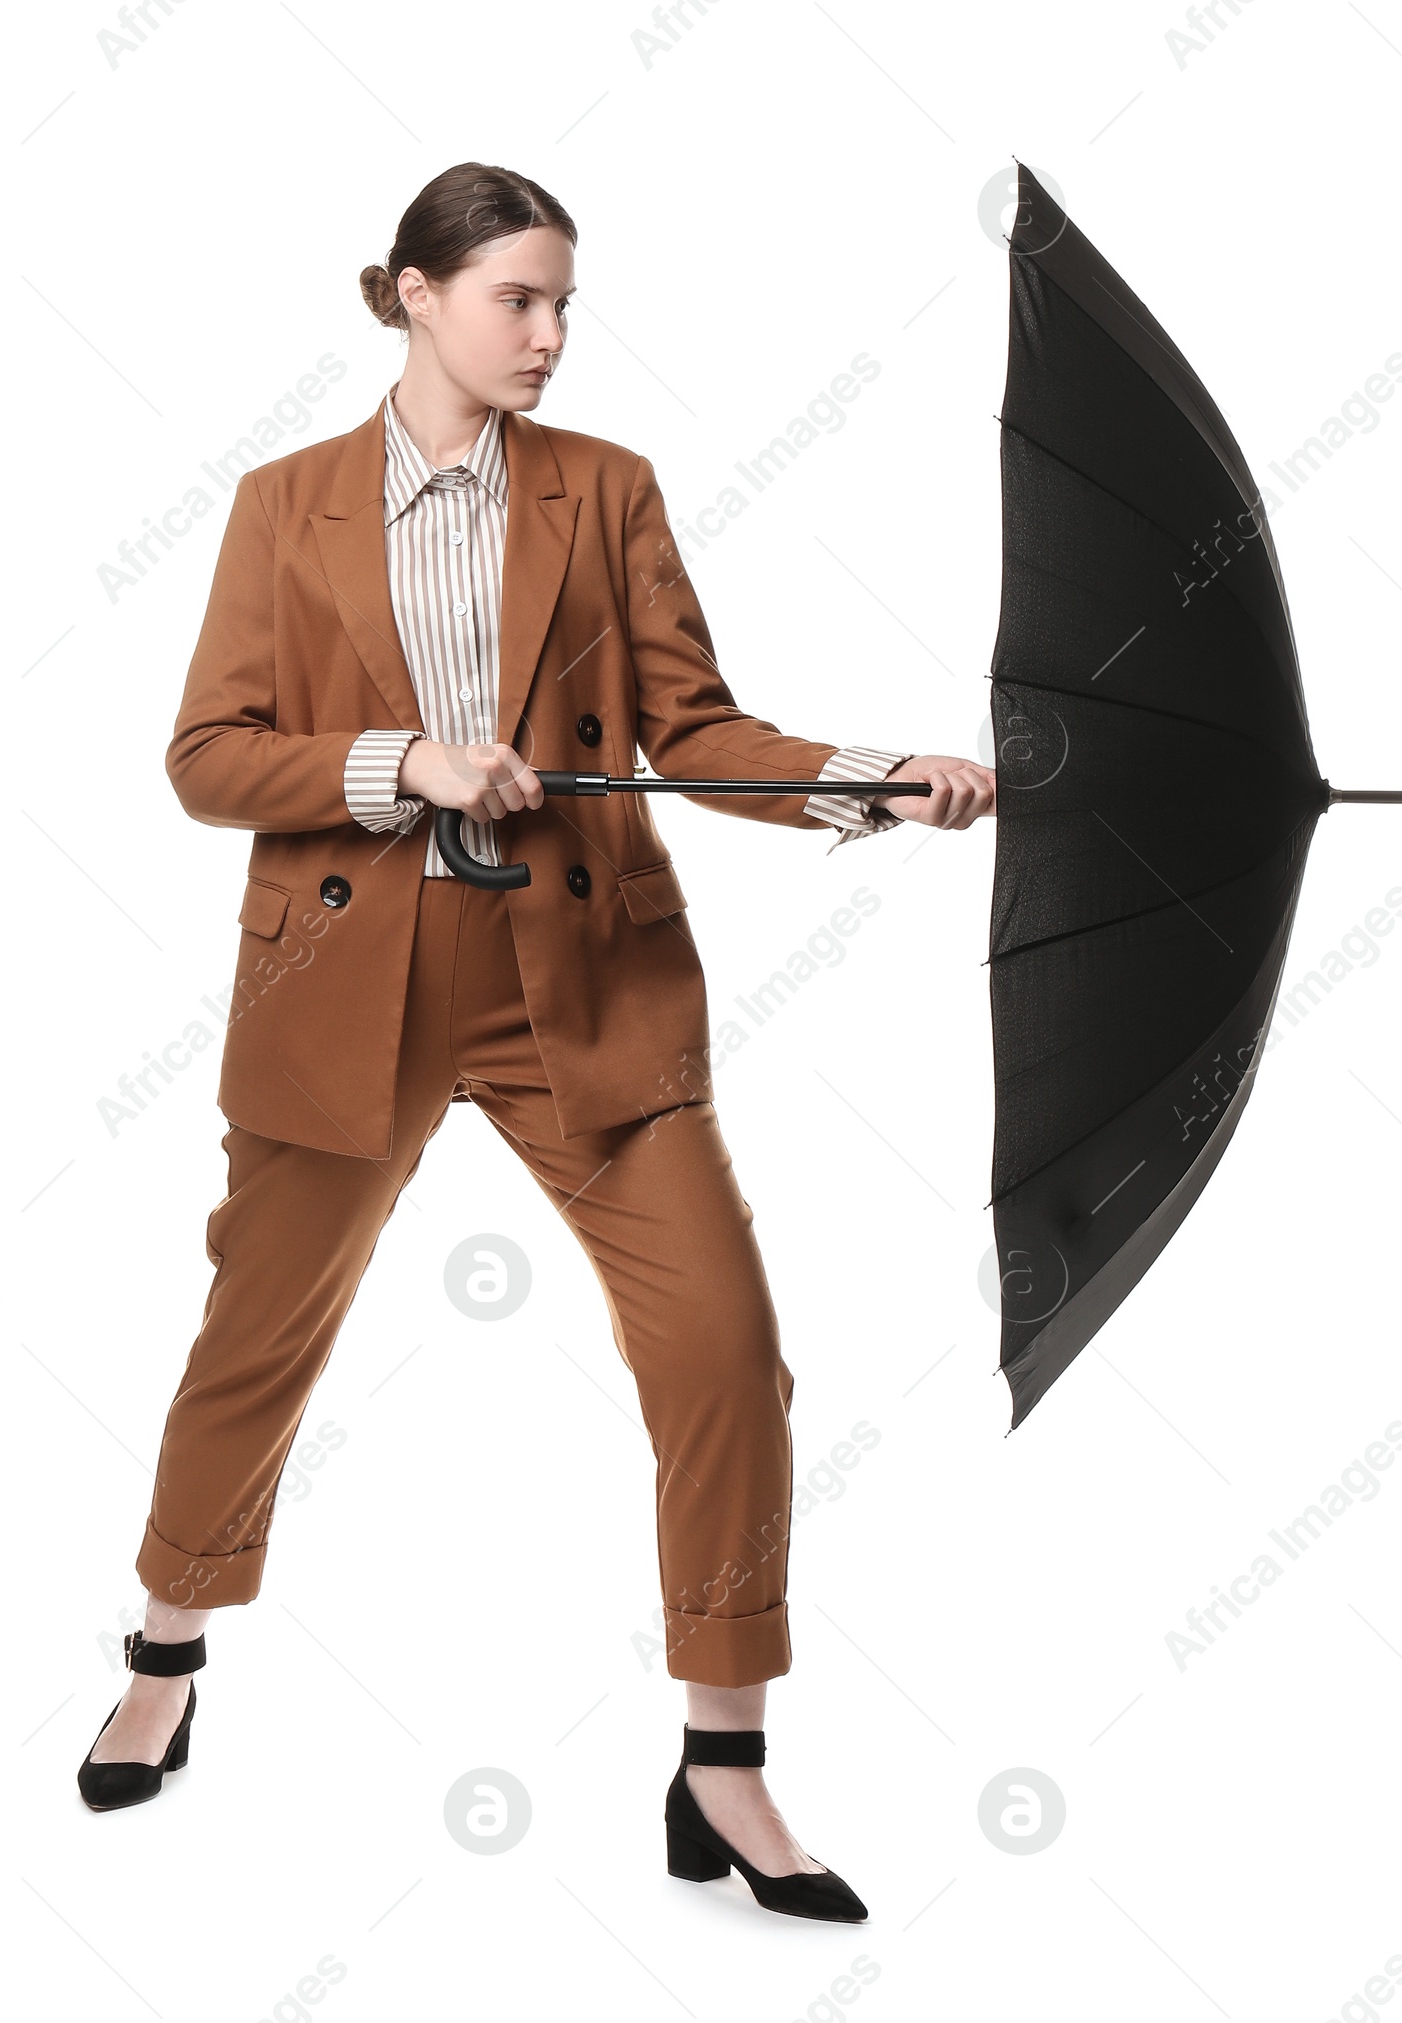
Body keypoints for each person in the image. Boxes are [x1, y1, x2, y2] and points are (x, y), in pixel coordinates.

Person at [76, 162, 994, 1922]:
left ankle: (725, 1770)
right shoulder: (284, 505)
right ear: (409, 293)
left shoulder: (609, 490)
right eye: (518, 301)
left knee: (726, 1345)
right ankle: (166, 1647)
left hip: (587, 979)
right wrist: (397, 761)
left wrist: (865, 783)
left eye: (567, 304)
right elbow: (207, 758)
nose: (552, 337)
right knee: (257, 1337)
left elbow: (696, 731)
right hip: (349, 983)